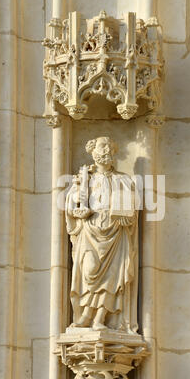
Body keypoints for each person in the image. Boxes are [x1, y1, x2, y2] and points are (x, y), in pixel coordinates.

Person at [65, 136, 138, 332]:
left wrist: (126, 214)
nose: (106, 150)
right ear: (93, 151)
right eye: (101, 146)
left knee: (112, 275)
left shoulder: (123, 179)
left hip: (115, 231)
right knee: (88, 271)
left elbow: (131, 208)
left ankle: (99, 318)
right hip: (89, 228)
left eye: (109, 147)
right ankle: (85, 315)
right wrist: (76, 202)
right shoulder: (83, 177)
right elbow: (72, 204)